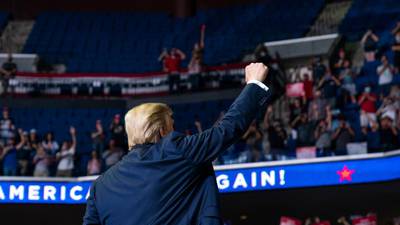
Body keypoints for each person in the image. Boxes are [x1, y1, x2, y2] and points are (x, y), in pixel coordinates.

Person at [83, 63, 270, 225]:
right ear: (162, 131)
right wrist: (254, 83)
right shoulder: (174, 150)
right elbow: (227, 130)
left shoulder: (100, 186)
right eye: (172, 126)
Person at [187, 24, 206, 91]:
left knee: (197, 72)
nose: (196, 46)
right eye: (195, 45)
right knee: (192, 72)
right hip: (194, 63)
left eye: (197, 45)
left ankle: (197, 86)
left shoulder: (200, 50)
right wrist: (190, 64)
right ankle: (191, 86)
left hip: (198, 63)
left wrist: (202, 31)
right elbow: (192, 60)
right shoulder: (193, 52)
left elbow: (202, 40)